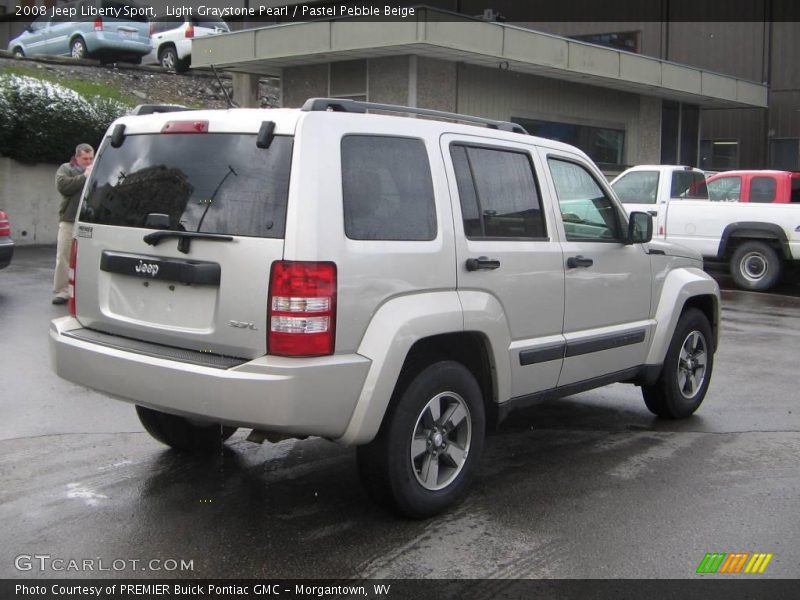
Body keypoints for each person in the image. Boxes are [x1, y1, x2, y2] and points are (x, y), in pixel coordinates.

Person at [53, 143, 94, 305]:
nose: (88, 161)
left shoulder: (96, 169)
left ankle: (85, 290)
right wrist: (84, 177)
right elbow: (63, 187)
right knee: (63, 256)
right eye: (85, 158)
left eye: (91, 158)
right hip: (69, 220)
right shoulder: (66, 169)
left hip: (89, 220)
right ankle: (62, 291)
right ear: (77, 157)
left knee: (88, 257)